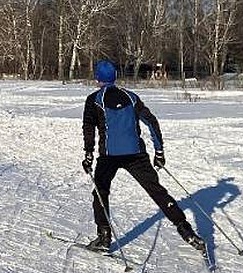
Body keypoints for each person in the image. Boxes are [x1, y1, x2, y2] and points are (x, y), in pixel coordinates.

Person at [82, 60, 206, 254]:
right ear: (115, 76)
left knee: (100, 191)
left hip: (109, 156)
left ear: (97, 78)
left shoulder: (94, 99)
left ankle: (104, 237)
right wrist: (159, 151)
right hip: (136, 154)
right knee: (157, 191)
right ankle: (186, 230)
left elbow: (88, 128)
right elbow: (151, 121)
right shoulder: (130, 97)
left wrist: (88, 154)